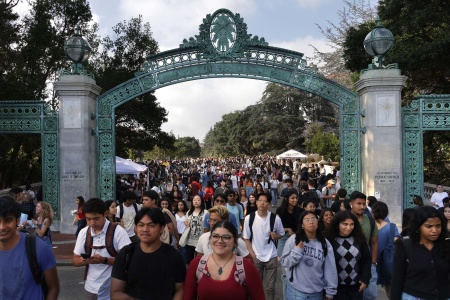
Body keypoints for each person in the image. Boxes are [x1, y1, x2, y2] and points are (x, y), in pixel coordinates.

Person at [111, 207, 186, 299]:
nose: (145, 229)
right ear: (136, 228)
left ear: (161, 228)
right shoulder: (126, 254)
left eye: (151, 225)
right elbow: (116, 293)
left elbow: (180, 289)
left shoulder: (174, 256)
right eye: (141, 225)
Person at [184, 221, 265, 300]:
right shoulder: (196, 265)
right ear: (210, 239)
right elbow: (188, 297)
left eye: (226, 237)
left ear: (235, 242)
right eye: (215, 236)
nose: (220, 241)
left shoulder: (247, 267)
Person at [0, 196, 60, 299]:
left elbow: (53, 287)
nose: (2, 227)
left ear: (17, 220)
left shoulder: (39, 248)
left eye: (8, 220)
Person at [73, 198, 131, 299]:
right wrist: (83, 261)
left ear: (105, 214)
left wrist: (104, 260)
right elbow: (75, 259)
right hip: (90, 288)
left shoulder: (118, 232)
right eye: (88, 219)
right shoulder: (83, 232)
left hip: (113, 289)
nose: (92, 223)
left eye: (96, 218)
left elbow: (127, 260)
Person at [391, 206, 450, 300]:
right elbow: (397, 280)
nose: (434, 230)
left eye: (438, 226)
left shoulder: (446, 246)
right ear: (419, 226)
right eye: (429, 226)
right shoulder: (405, 246)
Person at [281, 210, 338, 300]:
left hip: (316, 292)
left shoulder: (324, 243)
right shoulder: (294, 240)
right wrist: (296, 251)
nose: (311, 222)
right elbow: (284, 262)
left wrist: (330, 291)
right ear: (302, 225)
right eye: (307, 220)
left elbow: (330, 268)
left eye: (314, 219)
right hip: (296, 291)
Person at [243, 192, 284, 300]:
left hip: (271, 255)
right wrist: (253, 255)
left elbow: (282, 233)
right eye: (260, 200)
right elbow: (246, 238)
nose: (262, 203)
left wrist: (276, 235)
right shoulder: (249, 218)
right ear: (256, 202)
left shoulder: (275, 218)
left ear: (269, 204)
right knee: (255, 286)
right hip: (256, 256)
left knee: (270, 287)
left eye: (265, 201)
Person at [325, 211, 372, 300]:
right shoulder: (329, 240)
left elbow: (366, 259)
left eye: (352, 224)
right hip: (336, 288)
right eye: (345, 224)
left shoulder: (359, 239)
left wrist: (365, 278)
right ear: (337, 224)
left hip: (356, 287)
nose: (349, 227)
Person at [350, 191, 378, 300]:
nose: (362, 207)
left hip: (366, 263)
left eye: (364, 204)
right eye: (359, 204)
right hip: (348, 263)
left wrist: (373, 263)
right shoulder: (344, 220)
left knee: (371, 294)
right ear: (351, 204)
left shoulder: (370, 221)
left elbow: (374, 242)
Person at [371, 201, 399, 299]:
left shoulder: (370, 226)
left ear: (373, 213)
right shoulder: (392, 227)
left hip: (373, 262)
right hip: (388, 264)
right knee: (391, 289)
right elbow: (397, 241)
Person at [275, 190, 301, 258]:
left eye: (296, 198)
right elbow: (276, 227)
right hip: (283, 237)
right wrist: (288, 229)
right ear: (287, 199)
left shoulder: (300, 211)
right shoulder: (280, 211)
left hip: (297, 238)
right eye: (292, 198)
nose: (295, 200)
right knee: (283, 261)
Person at [185, 194, 206, 264]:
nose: (196, 201)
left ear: (202, 201)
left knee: (200, 260)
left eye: (198, 200)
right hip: (190, 240)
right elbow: (186, 224)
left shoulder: (206, 213)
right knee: (190, 260)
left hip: (201, 240)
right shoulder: (189, 212)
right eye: (194, 200)